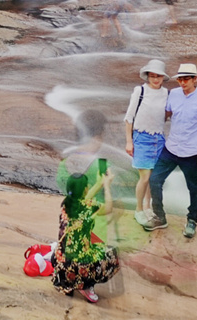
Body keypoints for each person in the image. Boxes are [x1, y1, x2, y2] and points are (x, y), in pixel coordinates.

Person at [52, 110, 120, 304]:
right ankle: (86, 285)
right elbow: (106, 206)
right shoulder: (99, 163)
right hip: (94, 224)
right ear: (98, 137)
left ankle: (65, 275)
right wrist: (104, 185)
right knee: (102, 254)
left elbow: (63, 184)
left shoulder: (66, 163)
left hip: (74, 228)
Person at [144, 62, 197, 239]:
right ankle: (159, 216)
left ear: (194, 79)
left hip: (191, 152)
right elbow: (165, 115)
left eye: (186, 79)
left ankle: (192, 220)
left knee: (193, 187)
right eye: (180, 79)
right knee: (154, 180)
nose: (182, 82)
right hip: (171, 147)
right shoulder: (173, 94)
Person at [123, 58, 169, 226]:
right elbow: (129, 117)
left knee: (153, 177)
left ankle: (148, 207)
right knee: (145, 176)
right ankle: (138, 209)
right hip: (142, 137)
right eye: (152, 76)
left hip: (159, 139)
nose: (155, 79)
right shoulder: (140, 91)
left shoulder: (165, 93)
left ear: (163, 77)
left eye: (159, 76)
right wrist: (129, 141)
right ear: (148, 76)